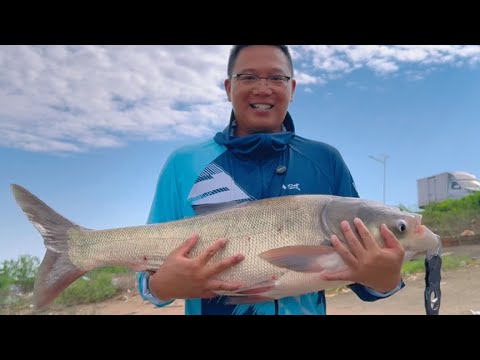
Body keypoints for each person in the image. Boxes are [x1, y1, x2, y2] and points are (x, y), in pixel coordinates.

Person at [137, 45, 405, 315]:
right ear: (229, 88)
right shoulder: (183, 163)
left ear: (293, 89)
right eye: (248, 77)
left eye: (277, 78)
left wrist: (386, 278)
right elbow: (147, 264)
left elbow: (362, 278)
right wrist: (162, 287)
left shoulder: (325, 160)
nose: (263, 88)